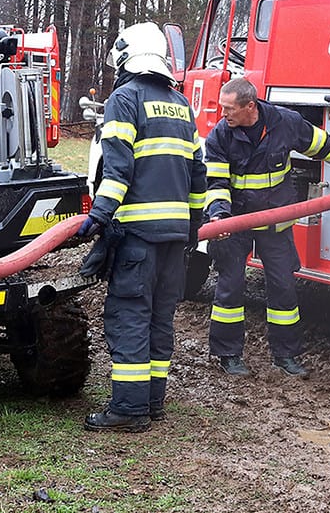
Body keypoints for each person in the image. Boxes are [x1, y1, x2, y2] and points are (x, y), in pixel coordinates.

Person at [77, 22, 207, 432]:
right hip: (176, 235)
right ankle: (152, 402)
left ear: (125, 57)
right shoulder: (181, 104)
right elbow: (198, 173)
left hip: (138, 236)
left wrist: (98, 215)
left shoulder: (125, 98)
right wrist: (193, 228)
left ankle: (129, 411)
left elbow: (117, 170)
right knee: (159, 318)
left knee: (130, 315)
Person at [205, 77, 330, 378]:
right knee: (230, 289)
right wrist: (220, 216)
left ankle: (286, 356)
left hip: (275, 221)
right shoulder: (220, 136)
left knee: (284, 289)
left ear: (251, 106)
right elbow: (217, 183)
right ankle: (228, 354)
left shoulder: (285, 123)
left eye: (229, 108)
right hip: (236, 223)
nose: (223, 114)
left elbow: (326, 146)